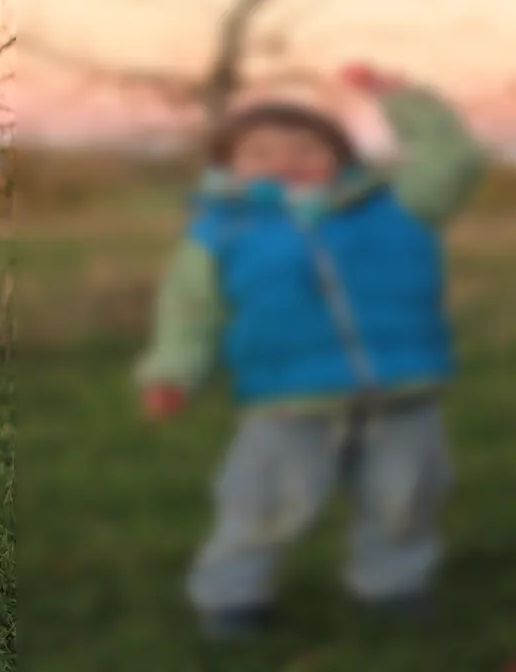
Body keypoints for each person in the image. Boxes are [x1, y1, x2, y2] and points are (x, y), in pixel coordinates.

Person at [136, 63, 486, 640]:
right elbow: (188, 312)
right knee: (264, 500)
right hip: (288, 396)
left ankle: (393, 586)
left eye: (308, 145)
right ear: (229, 166)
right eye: (261, 150)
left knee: (407, 497)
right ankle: (232, 596)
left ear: (342, 154)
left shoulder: (396, 205)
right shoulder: (222, 230)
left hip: (403, 389)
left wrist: (402, 99)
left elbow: (456, 159)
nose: (285, 159)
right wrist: (174, 371)